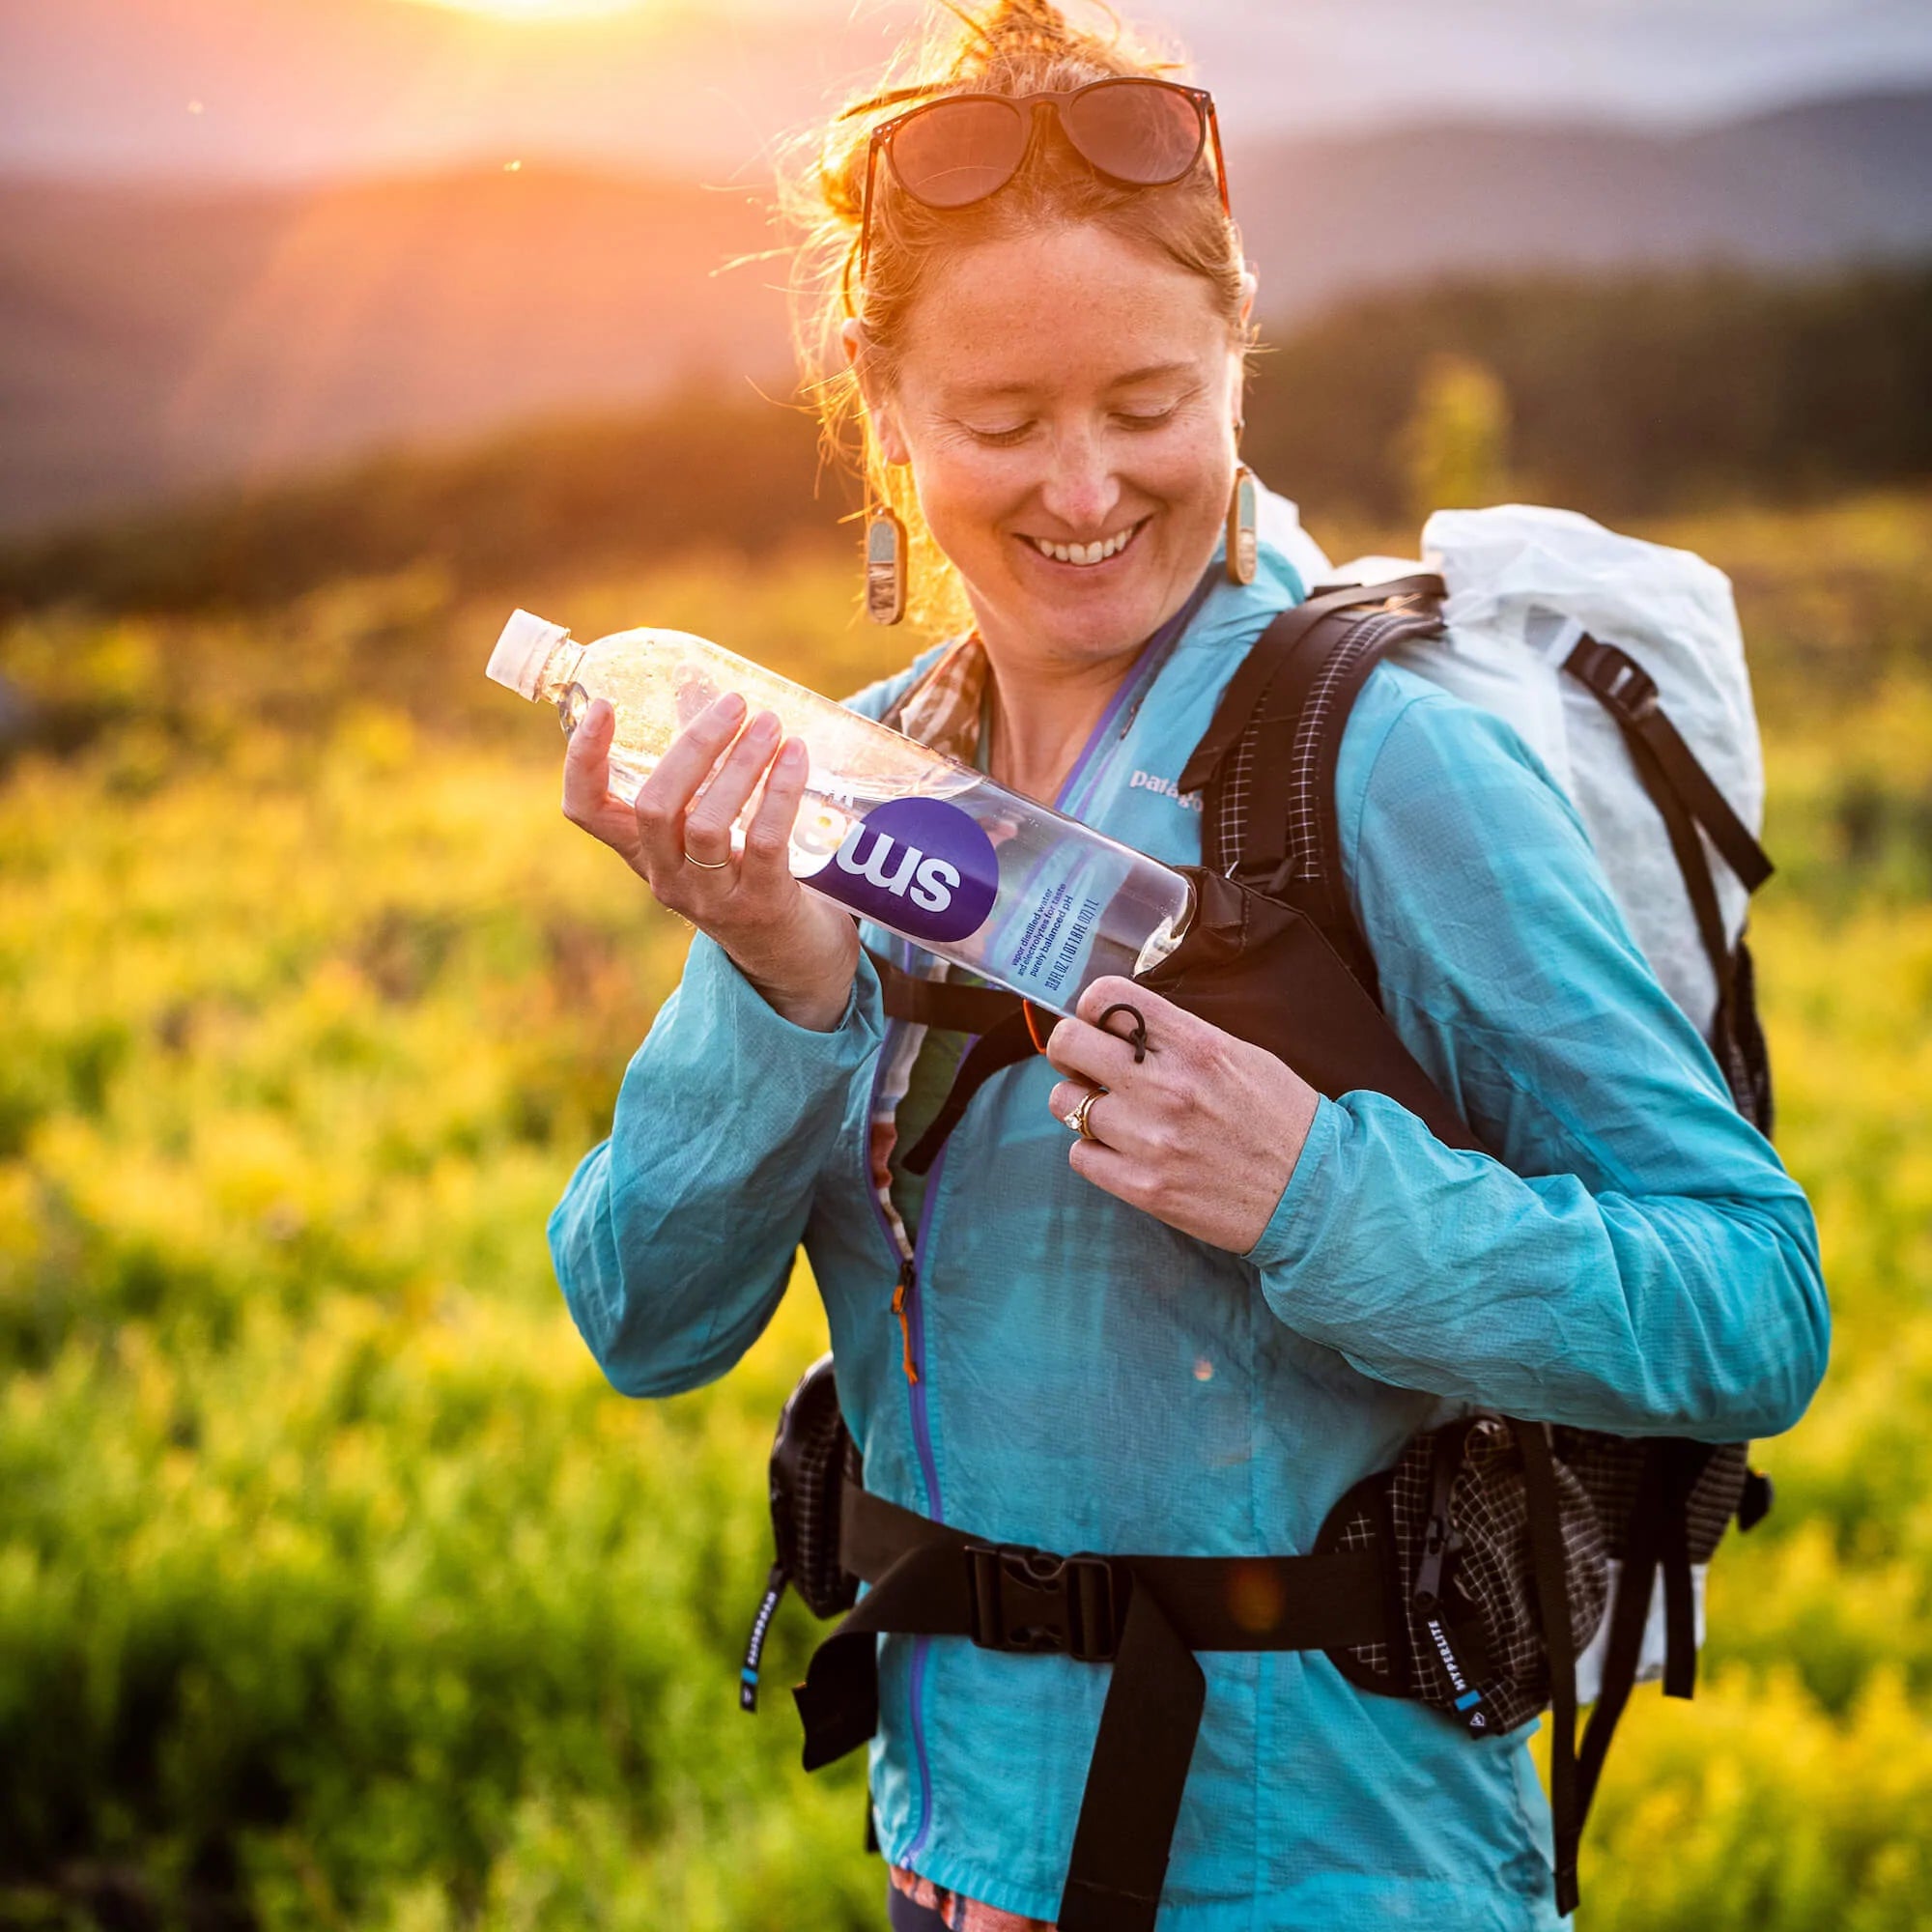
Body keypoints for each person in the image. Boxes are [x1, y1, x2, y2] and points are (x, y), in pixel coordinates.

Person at [547, 4, 1829, 1925]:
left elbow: (1752, 1300)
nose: (1081, 488)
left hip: (1338, 1871)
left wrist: (1318, 1193)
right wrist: (774, 975)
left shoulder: (1383, 757)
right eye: (1000, 423)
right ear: (880, 418)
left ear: (1238, 360)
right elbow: (644, 1322)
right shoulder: (854, 777)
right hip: (952, 1865)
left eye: (1148, 405)